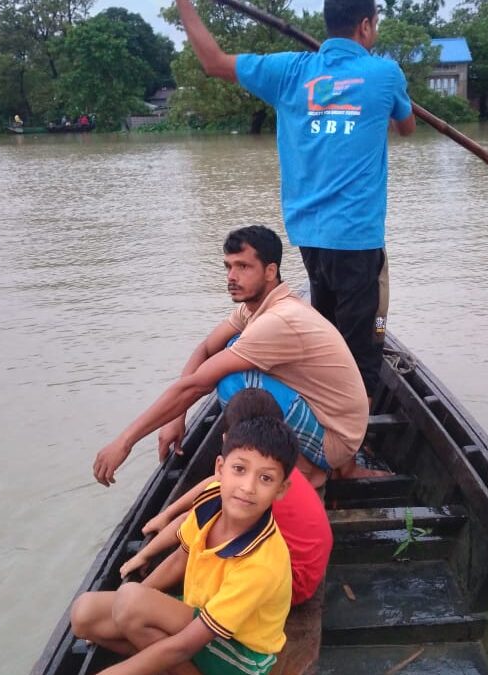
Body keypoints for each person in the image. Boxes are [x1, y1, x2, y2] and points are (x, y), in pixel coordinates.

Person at [173, 0, 416, 401]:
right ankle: (357, 429)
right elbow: (406, 126)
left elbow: (213, 62)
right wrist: (374, 111)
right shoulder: (385, 74)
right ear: (366, 26)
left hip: (307, 237)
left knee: (326, 331)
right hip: (357, 238)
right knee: (365, 344)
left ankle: (324, 404)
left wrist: (184, 4)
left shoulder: (288, 71)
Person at [93, 225, 372, 489]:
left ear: (270, 271)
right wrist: (175, 417)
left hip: (335, 441)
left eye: (243, 267)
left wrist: (125, 441)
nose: (232, 277)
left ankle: (307, 472)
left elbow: (198, 384)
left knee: (232, 381)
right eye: (228, 266)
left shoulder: (279, 320)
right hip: (326, 420)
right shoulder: (256, 308)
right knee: (231, 347)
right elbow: (206, 349)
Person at [72, 416, 299, 675]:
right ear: (220, 468)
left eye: (265, 478)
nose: (247, 487)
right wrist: (125, 607)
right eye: (239, 469)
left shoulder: (262, 562)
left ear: (281, 489)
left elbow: (184, 646)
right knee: (84, 614)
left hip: (242, 654)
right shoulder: (211, 501)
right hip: (199, 613)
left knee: (132, 606)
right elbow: (181, 557)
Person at [121, 388, 333, 606]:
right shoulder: (271, 470)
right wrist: (166, 514)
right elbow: (212, 483)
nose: (248, 485)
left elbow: (189, 518)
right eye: (239, 468)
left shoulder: (252, 488)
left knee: (203, 536)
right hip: (307, 568)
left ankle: (150, 600)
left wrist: (144, 555)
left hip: (293, 582)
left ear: (225, 437)